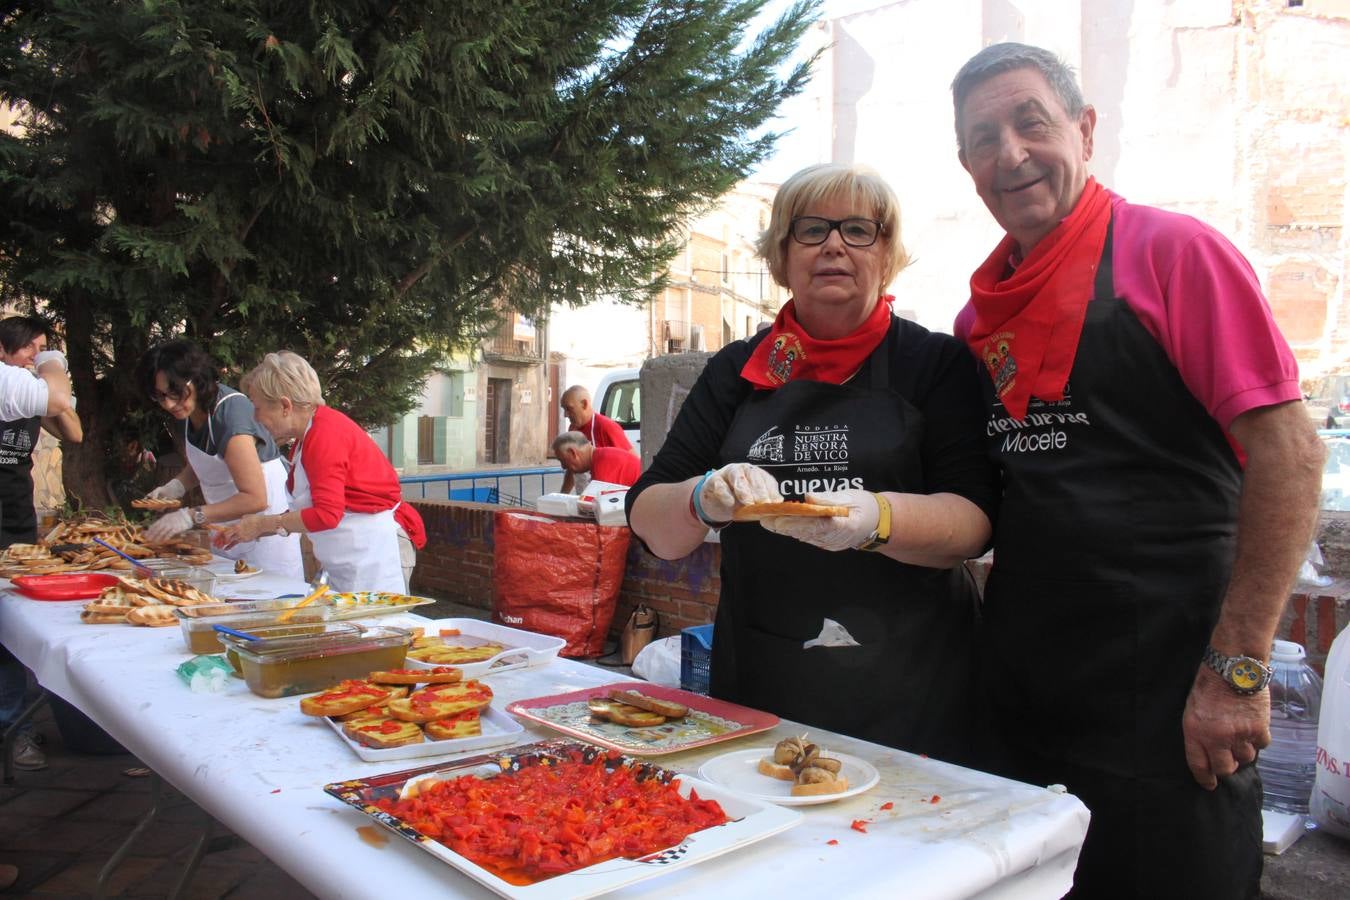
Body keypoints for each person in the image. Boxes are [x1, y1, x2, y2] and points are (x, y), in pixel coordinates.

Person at [949, 42, 1325, 898]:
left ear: (1084, 131)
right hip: (1025, 691)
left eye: (1030, 122)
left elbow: (1292, 454)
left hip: (1174, 693)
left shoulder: (1174, 253)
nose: (1009, 153)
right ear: (965, 164)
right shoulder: (980, 313)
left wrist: (1237, 671)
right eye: (982, 138)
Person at [627, 164, 998, 759]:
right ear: (781, 252)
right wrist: (703, 498)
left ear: (887, 252)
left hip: (915, 684)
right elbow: (651, 524)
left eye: (858, 230)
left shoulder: (934, 363)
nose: (833, 245)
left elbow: (972, 523)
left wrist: (873, 519)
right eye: (811, 229)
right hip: (766, 674)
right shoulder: (734, 371)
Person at [214, 351, 427, 593]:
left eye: (258, 407)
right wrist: (253, 528)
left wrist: (263, 525)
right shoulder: (309, 436)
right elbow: (316, 509)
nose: (255, 417)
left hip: (375, 556)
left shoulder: (325, 435)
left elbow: (327, 515)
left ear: (285, 406)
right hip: (353, 557)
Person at [136, 341, 302, 579]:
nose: (169, 404)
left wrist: (190, 516)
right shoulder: (188, 410)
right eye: (160, 396)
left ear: (196, 378)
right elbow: (207, 462)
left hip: (263, 529)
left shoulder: (229, 414)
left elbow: (255, 498)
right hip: (226, 523)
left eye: (175, 392)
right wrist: (176, 486)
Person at [0, 317, 81, 775]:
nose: (37, 354)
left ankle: (13, 724)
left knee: (12, 621)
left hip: (14, 516)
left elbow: (74, 432)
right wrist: (54, 364)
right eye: (30, 346)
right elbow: (57, 397)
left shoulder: (22, 385)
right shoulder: (7, 380)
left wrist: (58, 397)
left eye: (42, 348)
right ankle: (13, 729)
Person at [558, 385, 634, 493]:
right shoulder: (573, 429)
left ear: (584, 404)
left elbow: (631, 460)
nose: (565, 415)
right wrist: (562, 496)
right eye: (564, 409)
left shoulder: (606, 427)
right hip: (584, 495)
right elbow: (572, 468)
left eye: (569, 409)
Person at [552, 431, 641, 488]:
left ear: (573, 453)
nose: (563, 467)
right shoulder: (600, 458)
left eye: (563, 460)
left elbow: (602, 507)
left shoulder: (602, 464)